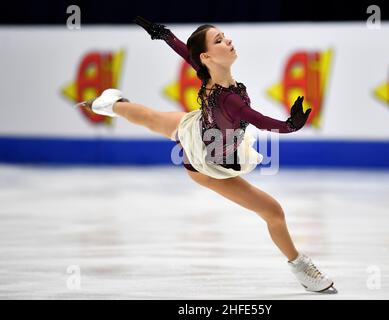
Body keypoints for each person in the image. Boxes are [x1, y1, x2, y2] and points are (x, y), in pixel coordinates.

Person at [77, 17, 335, 293]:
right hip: (206, 165)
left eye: (225, 36)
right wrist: (290, 126)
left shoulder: (208, 75)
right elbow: (259, 121)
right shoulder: (229, 99)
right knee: (274, 212)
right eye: (220, 40)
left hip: (199, 131)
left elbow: (187, 55)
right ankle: (301, 268)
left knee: (152, 118)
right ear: (208, 56)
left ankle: (108, 105)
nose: (228, 41)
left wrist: (164, 35)